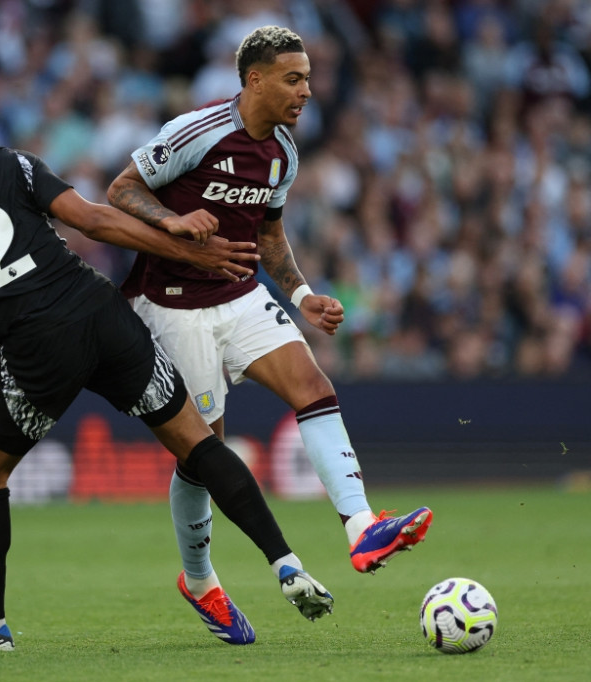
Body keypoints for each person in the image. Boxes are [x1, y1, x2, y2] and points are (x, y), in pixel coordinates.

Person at [0, 80, 335, 653]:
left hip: (35, 345)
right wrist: (175, 234)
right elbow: (94, 221)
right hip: (100, 311)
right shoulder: (10, 163)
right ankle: (286, 563)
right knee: (197, 444)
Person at [106, 25, 433, 643]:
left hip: (241, 295)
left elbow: (269, 237)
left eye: (308, 78)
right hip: (171, 307)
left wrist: (304, 295)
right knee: (204, 457)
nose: (307, 90)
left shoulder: (283, 150)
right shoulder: (194, 132)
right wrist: (175, 220)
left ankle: (361, 527)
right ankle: (200, 580)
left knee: (313, 385)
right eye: (294, 78)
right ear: (254, 79)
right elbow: (119, 190)